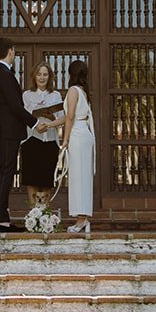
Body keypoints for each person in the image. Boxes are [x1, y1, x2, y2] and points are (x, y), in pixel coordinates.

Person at [0, 37, 36, 232]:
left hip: (6, 130)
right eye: (14, 51)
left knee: (5, 172)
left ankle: (1, 219)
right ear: (10, 51)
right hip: (8, 131)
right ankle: (0, 221)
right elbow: (15, 106)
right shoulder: (3, 74)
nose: (14, 54)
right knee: (6, 173)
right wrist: (35, 121)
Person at [20, 63, 63, 209]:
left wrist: (50, 121)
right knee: (31, 179)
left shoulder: (56, 95)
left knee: (46, 180)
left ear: (49, 76)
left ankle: (46, 216)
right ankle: (33, 215)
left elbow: (62, 119)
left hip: (50, 141)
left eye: (45, 74)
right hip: (31, 140)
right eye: (39, 74)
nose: (42, 77)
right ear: (34, 76)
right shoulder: (27, 95)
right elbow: (23, 116)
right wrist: (36, 121)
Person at [59, 59, 95, 233]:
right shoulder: (83, 92)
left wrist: (65, 139)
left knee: (78, 177)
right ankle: (84, 218)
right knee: (83, 176)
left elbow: (70, 116)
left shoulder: (73, 90)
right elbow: (68, 116)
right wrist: (48, 125)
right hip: (83, 132)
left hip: (77, 134)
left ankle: (81, 220)